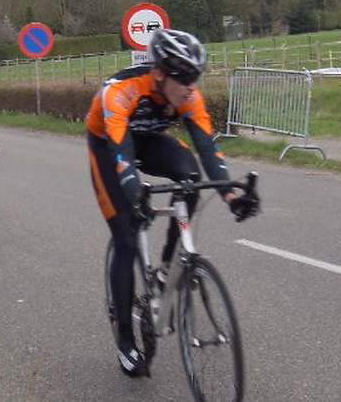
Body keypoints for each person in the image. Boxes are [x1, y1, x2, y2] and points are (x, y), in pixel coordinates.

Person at [85, 29, 259, 377]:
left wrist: (230, 196)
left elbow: (208, 148)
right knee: (125, 237)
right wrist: (133, 191)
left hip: (149, 140)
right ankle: (125, 340)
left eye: (197, 78)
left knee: (191, 176)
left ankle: (166, 267)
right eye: (185, 79)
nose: (192, 88)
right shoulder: (121, 90)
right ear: (161, 73)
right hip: (109, 145)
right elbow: (121, 155)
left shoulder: (188, 94)